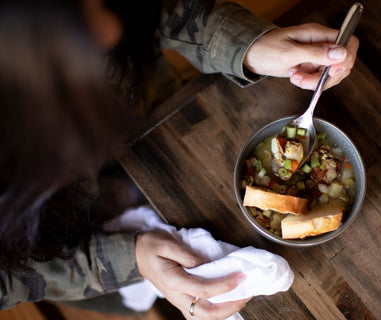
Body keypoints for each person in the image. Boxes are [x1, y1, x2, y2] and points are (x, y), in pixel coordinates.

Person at [0, 0, 358, 319]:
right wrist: (131, 260)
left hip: (162, 122)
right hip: (70, 249)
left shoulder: (108, 24)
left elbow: (161, 9)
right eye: (71, 25)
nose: (112, 31)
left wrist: (247, 46)